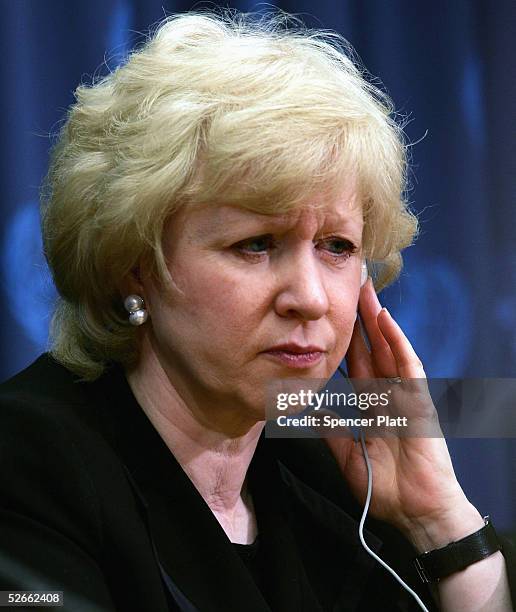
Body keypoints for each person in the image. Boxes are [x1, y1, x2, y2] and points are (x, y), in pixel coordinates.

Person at [0, 11, 513, 612]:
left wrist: (438, 520)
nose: (311, 297)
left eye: (338, 248)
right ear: (133, 263)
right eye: (256, 244)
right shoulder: (27, 460)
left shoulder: (330, 475)